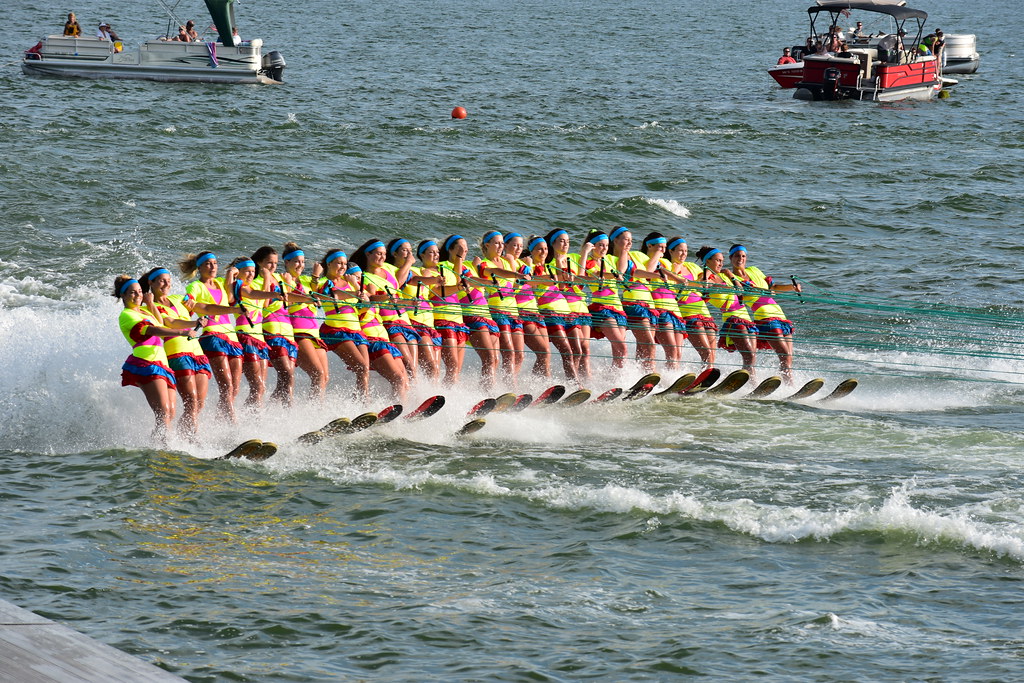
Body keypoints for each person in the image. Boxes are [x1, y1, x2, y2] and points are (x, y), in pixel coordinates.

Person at [114, 275, 198, 442]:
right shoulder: (127, 315)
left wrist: (151, 304)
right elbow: (154, 330)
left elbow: (160, 323)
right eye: (132, 293)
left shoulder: (144, 311)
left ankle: (158, 445)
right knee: (163, 412)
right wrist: (182, 332)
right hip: (146, 363)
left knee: (170, 412)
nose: (138, 296)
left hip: (162, 364)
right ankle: (163, 449)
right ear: (123, 296)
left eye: (139, 292)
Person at [141, 267, 214, 440]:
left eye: (168, 280)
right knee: (191, 402)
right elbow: (170, 322)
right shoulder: (151, 306)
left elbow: (203, 307)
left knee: (199, 404)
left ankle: (185, 438)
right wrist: (193, 321)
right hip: (177, 354)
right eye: (161, 280)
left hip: (197, 352)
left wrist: (194, 302)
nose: (167, 284)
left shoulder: (178, 298)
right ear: (151, 283)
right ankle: (189, 440)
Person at [180, 251, 244, 422]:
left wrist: (232, 273)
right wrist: (191, 303)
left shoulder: (221, 282)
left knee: (235, 387)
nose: (213, 267)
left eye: (215, 263)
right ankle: (232, 424)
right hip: (212, 337)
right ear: (200, 267)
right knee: (227, 386)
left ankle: (220, 419)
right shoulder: (196, 286)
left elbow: (231, 297)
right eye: (208, 264)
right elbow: (188, 301)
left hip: (231, 337)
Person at [725, 244, 800, 383]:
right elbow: (741, 292)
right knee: (784, 354)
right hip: (764, 316)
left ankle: (789, 385)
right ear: (730, 258)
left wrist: (792, 287)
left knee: (789, 356)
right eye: (737, 256)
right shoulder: (731, 278)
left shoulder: (754, 270)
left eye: (743, 256)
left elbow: (773, 288)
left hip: (780, 314)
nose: (740, 259)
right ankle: (779, 384)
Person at [439, 235, 500, 391]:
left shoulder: (469, 265)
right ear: (450, 249)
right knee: (488, 358)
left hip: (486, 315)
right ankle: (486, 394)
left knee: (495, 360)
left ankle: (485, 394)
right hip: (471, 316)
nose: (464, 251)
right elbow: (460, 278)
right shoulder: (446, 266)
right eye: (460, 248)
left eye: (466, 248)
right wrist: (459, 258)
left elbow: (476, 277)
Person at [316, 250, 373, 400]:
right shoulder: (324, 282)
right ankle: (363, 402)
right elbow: (331, 296)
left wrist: (357, 289)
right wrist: (354, 292)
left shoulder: (350, 283)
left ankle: (359, 400)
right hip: (336, 330)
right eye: (338, 263)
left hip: (356, 331)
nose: (342, 266)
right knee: (361, 367)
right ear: (329, 264)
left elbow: (364, 307)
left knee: (365, 369)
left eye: (344, 263)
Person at [695, 246, 759, 376]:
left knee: (752, 358)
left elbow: (740, 291)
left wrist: (731, 276)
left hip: (746, 317)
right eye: (718, 260)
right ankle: (703, 376)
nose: (721, 263)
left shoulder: (724, 277)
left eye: (722, 260)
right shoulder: (705, 277)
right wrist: (707, 271)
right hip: (733, 319)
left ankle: (752, 384)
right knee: (749, 355)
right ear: (708, 261)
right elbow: (703, 284)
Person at [281, 243, 330, 401]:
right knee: (318, 374)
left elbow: (321, 292)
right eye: (296, 261)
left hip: (314, 334)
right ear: (286, 263)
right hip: (298, 332)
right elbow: (285, 300)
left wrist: (316, 276)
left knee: (324, 377)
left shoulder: (308, 280)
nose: (300, 265)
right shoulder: (282, 279)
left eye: (302, 261)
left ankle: (316, 410)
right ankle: (314, 411)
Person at [579, 230, 629, 370]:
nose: (604, 248)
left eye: (606, 245)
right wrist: (584, 251)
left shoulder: (611, 260)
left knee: (618, 351)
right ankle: (617, 377)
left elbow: (622, 269)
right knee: (622, 347)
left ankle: (615, 378)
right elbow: (582, 274)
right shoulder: (589, 263)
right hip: (602, 308)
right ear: (593, 246)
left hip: (618, 309)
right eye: (600, 245)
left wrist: (624, 249)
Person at [502, 232, 550, 378]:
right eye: (514, 245)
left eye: (520, 246)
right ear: (506, 246)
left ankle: (542, 386)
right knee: (536, 353)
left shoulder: (523, 263)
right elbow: (513, 287)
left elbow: (533, 289)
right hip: (521, 311)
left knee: (546, 354)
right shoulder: (506, 261)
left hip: (535, 311)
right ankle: (509, 385)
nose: (517, 248)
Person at [665, 237, 717, 369]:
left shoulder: (691, 266)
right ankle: (704, 377)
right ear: (671, 251)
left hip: (703, 311)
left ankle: (706, 377)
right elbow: (675, 285)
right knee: (706, 352)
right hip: (688, 313)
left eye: (686, 251)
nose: (684, 254)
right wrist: (696, 283)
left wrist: (706, 279)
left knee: (712, 353)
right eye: (680, 251)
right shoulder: (668, 267)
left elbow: (709, 277)